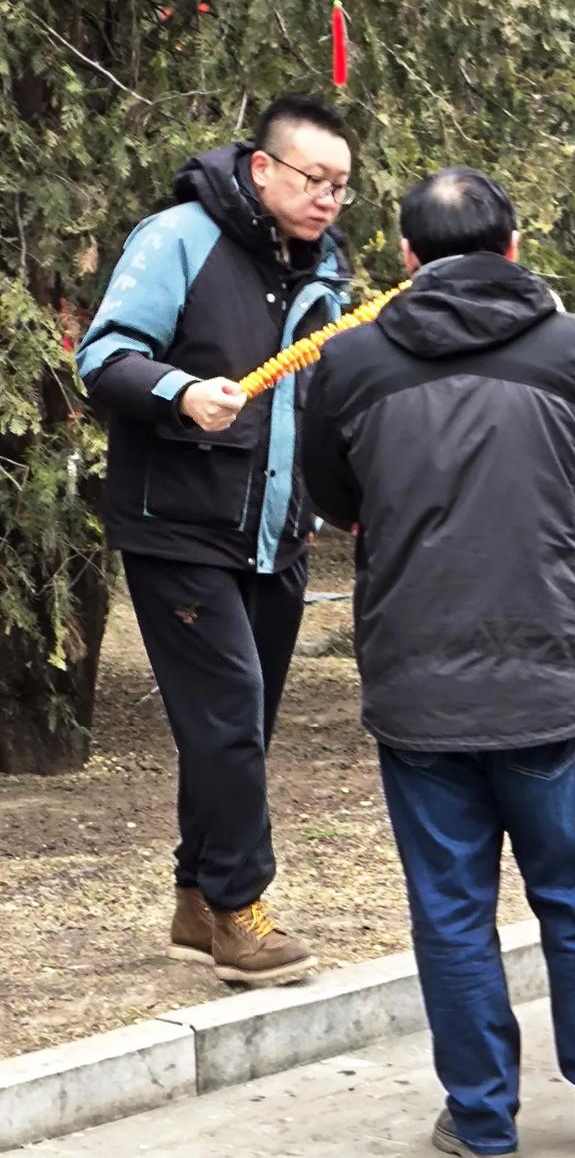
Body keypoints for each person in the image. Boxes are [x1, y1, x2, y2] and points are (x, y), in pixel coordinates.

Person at [301, 167, 575, 1158]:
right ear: (512, 248)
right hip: (547, 669)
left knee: (450, 912)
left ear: (405, 259)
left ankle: (479, 1119)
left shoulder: (351, 362)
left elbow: (331, 495)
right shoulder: (574, 349)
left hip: (417, 675)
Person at [75, 94, 355, 987]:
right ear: (264, 168)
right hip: (180, 524)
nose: (328, 200)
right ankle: (240, 910)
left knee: (241, 725)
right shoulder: (178, 237)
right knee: (229, 709)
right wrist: (181, 392)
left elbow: (319, 394)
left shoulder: (325, 264)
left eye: (343, 188)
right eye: (316, 180)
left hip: (277, 529)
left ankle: (196, 898)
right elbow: (104, 356)